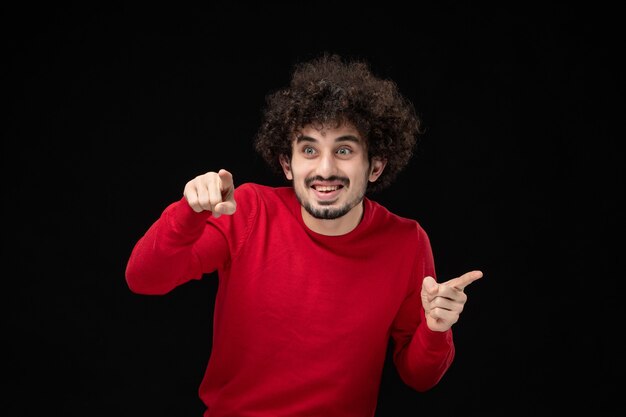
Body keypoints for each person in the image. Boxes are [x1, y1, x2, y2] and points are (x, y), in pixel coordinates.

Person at [125, 53, 483, 417]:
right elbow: (143, 278)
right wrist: (189, 212)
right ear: (287, 164)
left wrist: (437, 329)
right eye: (309, 149)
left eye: (344, 150)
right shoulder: (248, 210)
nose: (325, 169)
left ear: (375, 165)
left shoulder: (406, 242)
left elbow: (419, 376)